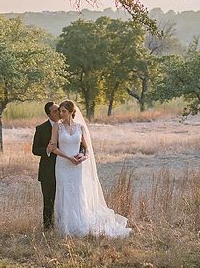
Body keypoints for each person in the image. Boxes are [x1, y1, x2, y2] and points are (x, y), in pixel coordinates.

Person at [46, 99, 131, 238]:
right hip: (63, 165)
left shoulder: (80, 127)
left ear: (71, 112)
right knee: (65, 193)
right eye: (60, 111)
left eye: (63, 111)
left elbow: (87, 149)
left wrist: (83, 157)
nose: (60, 114)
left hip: (77, 166)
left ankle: (80, 223)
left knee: (78, 192)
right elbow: (53, 148)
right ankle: (66, 227)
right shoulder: (57, 127)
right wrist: (69, 157)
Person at [32, 101, 60, 230]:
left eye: (59, 109)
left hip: (65, 170)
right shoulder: (41, 129)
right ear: (49, 114)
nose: (58, 112)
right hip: (48, 171)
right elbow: (35, 149)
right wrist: (47, 150)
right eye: (55, 111)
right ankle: (48, 228)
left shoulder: (67, 126)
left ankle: (63, 225)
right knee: (48, 201)